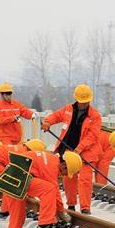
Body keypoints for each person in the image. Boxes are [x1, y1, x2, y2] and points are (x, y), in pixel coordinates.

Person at [41, 85, 102, 213]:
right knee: (69, 178)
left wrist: (79, 149)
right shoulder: (68, 109)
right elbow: (56, 116)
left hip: (86, 153)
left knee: (85, 180)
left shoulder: (95, 116)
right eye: (82, 101)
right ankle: (71, 205)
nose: (84, 104)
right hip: (68, 150)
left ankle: (85, 208)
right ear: (77, 100)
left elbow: (93, 136)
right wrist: (47, 122)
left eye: (86, 102)